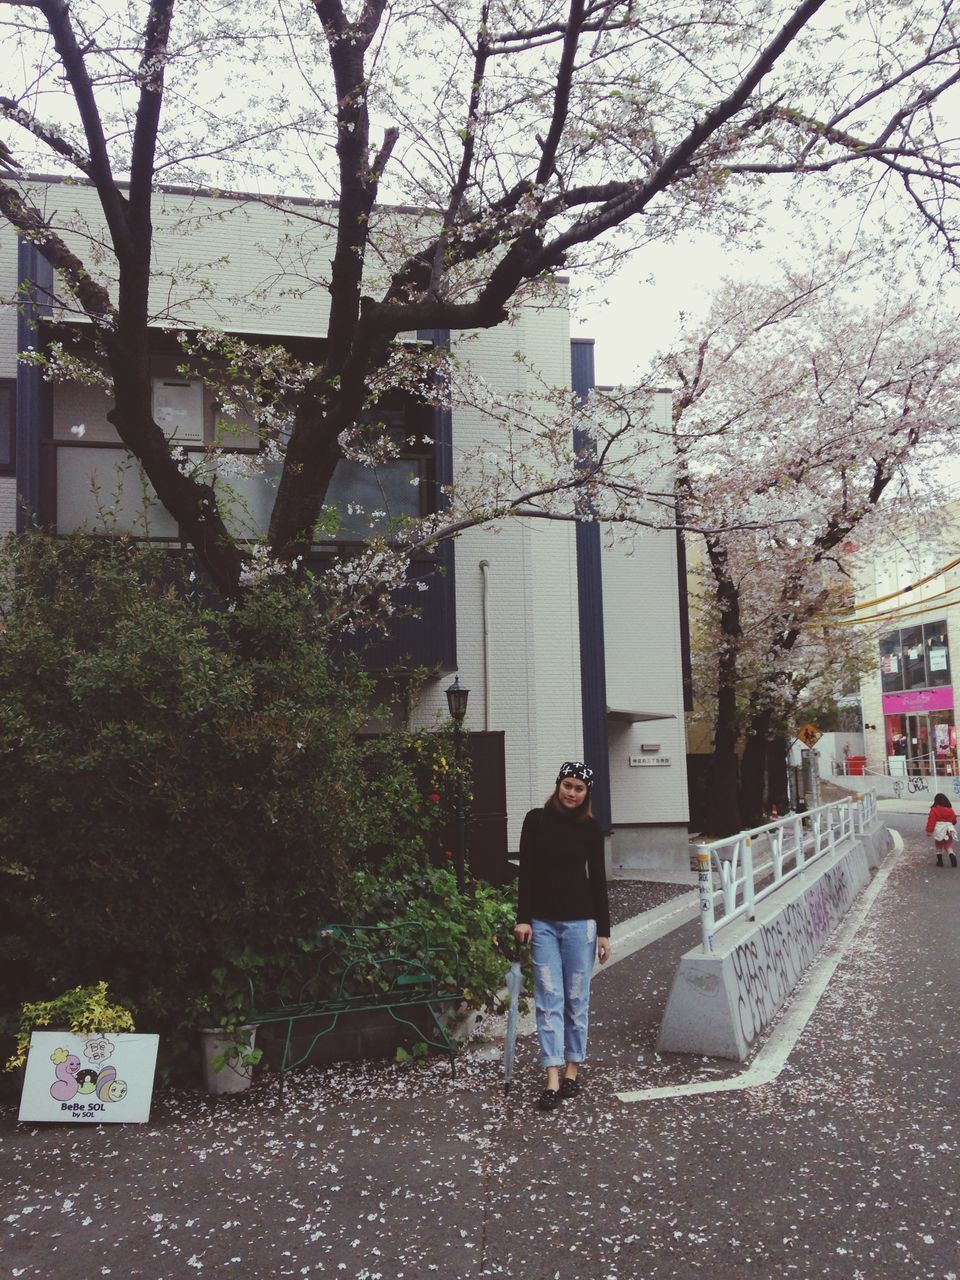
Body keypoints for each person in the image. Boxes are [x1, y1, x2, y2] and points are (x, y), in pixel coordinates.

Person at [514, 761, 611, 1112]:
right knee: (548, 997)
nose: (571, 793)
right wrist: (523, 918)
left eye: (579, 788)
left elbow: (598, 880)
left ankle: (573, 1069)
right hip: (541, 924)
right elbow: (526, 872)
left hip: (581, 925)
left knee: (576, 998)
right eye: (567, 786)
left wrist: (604, 932)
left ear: (587, 794)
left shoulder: (590, 829)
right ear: (558, 785)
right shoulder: (535, 821)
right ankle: (552, 1075)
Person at [926, 792, 958, 867]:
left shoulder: (934, 810)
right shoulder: (950, 810)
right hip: (948, 830)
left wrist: (929, 831)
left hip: (939, 830)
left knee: (938, 844)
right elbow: (954, 820)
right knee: (948, 845)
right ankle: (952, 855)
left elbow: (931, 821)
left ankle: (940, 862)